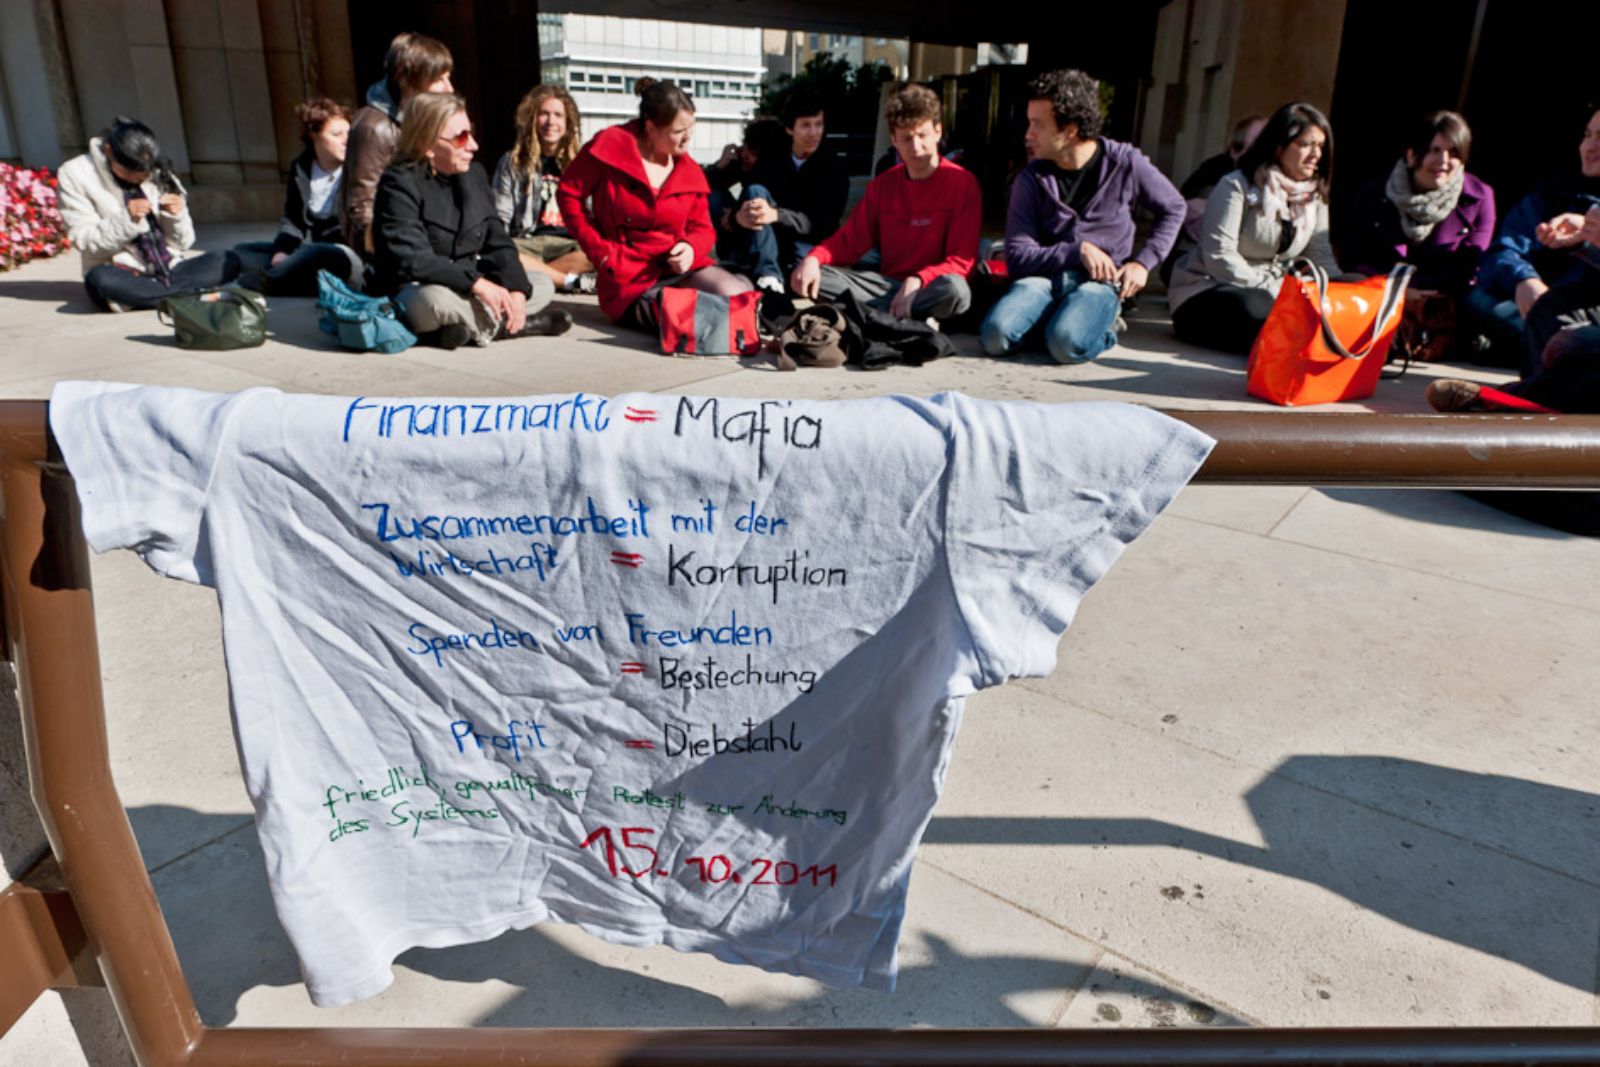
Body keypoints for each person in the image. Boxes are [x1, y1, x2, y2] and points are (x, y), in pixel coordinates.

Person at [980, 69, 1185, 363]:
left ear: (1071, 130)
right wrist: (1079, 251)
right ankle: (1062, 323)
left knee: (1065, 344)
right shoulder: (1030, 179)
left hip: (1100, 283)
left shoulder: (1124, 163)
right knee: (995, 336)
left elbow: (1175, 207)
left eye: (1038, 125)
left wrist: (1143, 263)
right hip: (1041, 280)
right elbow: (1017, 256)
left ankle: (1101, 327)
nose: (1028, 134)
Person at [371, 93, 570, 348]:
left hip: (466, 287)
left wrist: (517, 291)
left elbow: (498, 242)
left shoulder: (473, 174)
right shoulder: (398, 183)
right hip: (422, 286)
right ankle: (512, 327)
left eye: (471, 133)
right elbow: (414, 260)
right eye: (461, 137)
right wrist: (477, 285)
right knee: (432, 302)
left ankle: (460, 328)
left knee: (540, 284)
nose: (474, 145)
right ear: (427, 144)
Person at [557, 78, 752, 332]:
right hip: (627, 275)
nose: (687, 138)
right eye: (678, 131)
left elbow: (703, 229)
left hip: (677, 268)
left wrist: (690, 248)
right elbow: (568, 195)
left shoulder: (689, 169)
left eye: (691, 128)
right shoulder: (608, 146)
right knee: (690, 319)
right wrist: (601, 252)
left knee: (736, 295)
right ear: (651, 128)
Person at [790, 82, 980, 323]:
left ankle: (881, 315)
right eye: (906, 138)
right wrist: (814, 259)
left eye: (922, 135)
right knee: (815, 275)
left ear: (938, 131)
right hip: (888, 286)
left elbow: (962, 261)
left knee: (957, 290)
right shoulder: (883, 185)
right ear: (894, 140)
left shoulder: (962, 183)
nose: (916, 147)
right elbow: (851, 240)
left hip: (932, 286)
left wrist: (918, 279)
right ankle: (902, 316)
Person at [1167, 101, 1343, 355]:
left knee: (1351, 289)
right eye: (1305, 144)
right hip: (1209, 290)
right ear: (1278, 146)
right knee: (1257, 305)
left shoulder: (1313, 197)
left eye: (1320, 146)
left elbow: (1322, 259)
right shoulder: (1235, 186)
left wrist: (1342, 292)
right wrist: (1278, 289)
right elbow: (1219, 258)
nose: (1316, 155)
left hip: (1275, 293)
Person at [56, 117, 240, 312]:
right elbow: (85, 241)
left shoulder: (156, 166)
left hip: (170, 269)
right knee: (99, 280)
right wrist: (128, 220)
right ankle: (190, 296)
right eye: (129, 174)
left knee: (227, 260)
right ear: (108, 152)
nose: (138, 179)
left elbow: (182, 244)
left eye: (144, 175)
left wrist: (175, 216)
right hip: (120, 271)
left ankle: (160, 297)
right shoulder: (74, 173)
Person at [1467, 107, 1600, 368]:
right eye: (1587, 135)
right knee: (1478, 298)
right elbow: (1504, 247)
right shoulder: (1555, 191)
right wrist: (1525, 280)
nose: (1590, 147)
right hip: (1538, 307)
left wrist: (1591, 240)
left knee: (1571, 337)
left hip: (1585, 319)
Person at [1339, 111, 1494, 297]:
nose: (1443, 161)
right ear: (1412, 156)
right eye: (1435, 150)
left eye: (1453, 153)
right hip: (1376, 298)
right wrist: (1398, 292)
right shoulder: (1373, 194)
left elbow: (1471, 265)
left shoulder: (1479, 198)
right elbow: (1352, 256)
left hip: (1441, 304)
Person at [718, 93, 849, 294]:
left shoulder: (833, 166)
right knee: (753, 192)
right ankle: (768, 276)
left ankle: (764, 272)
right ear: (790, 128)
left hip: (807, 241)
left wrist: (776, 215)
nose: (814, 133)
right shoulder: (774, 158)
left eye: (818, 124)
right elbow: (750, 193)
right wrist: (737, 218)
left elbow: (824, 222)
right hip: (771, 237)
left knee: (802, 263)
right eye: (806, 125)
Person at [233, 98, 365, 295]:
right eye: (337, 134)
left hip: (345, 253)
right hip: (312, 250)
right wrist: (281, 251)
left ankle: (271, 280)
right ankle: (297, 278)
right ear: (314, 134)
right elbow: (293, 219)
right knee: (243, 251)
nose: (346, 140)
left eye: (349, 133)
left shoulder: (359, 168)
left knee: (314, 253)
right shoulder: (301, 167)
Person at [342, 32, 454, 251]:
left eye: (448, 77)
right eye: (439, 79)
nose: (449, 88)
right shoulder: (375, 128)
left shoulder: (416, 118)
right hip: (393, 252)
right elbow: (362, 208)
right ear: (409, 80)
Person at [491, 85, 596, 295]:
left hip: (569, 245)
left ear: (568, 123)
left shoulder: (582, 164)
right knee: (503, 255)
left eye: (558, 115)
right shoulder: (513, 162)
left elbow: (594, 214)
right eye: (544, 114)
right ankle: (568, 281)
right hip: (527, 243)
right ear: (532, 119)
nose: (551, 122)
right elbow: (500, 215)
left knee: (597, 254)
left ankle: (539, 276)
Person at [1159, 114, 1264, 286]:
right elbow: (1193, 211)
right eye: (1258, 145)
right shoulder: (1216, 171)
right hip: (1194, 267)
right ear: (1236, 151)